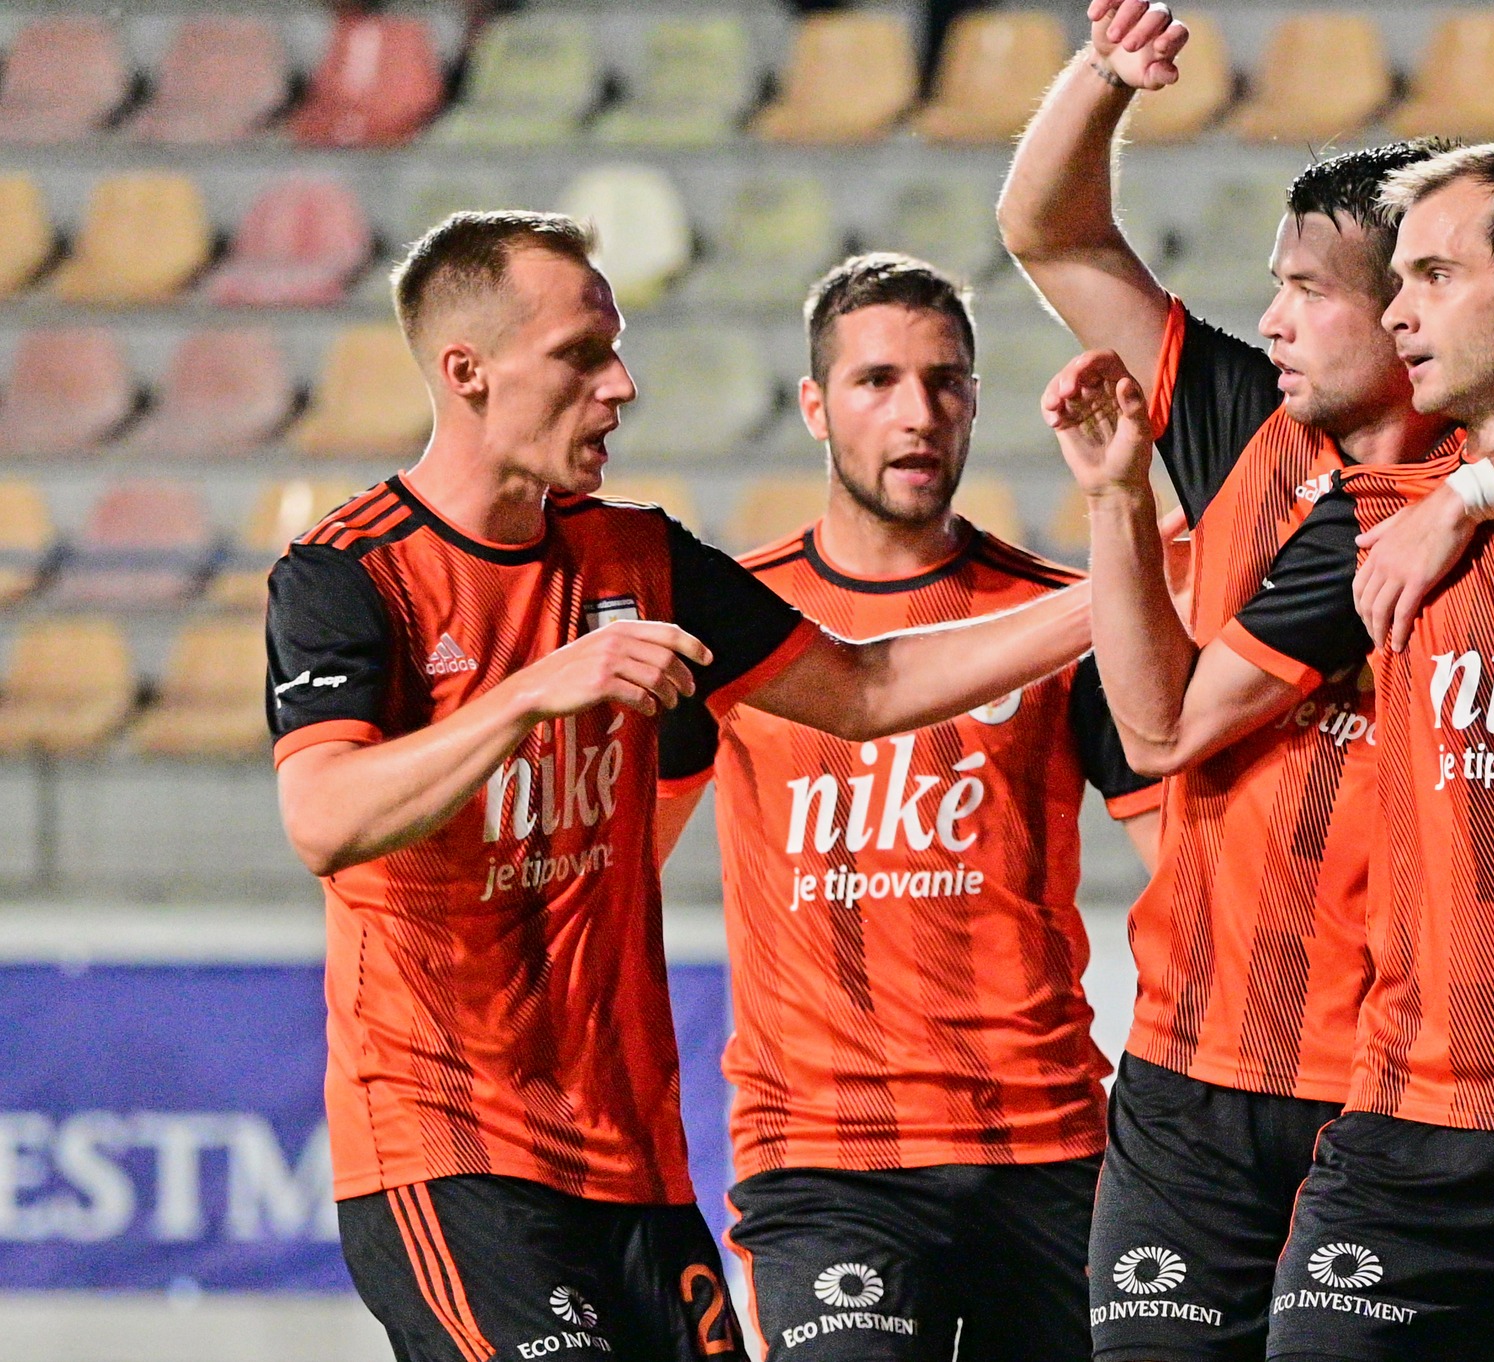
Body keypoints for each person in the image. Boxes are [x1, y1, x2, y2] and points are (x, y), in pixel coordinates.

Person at [1000, 5, 1494, 1358]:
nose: (1274, 321)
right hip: (1199, 1064)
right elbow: (1047, 231)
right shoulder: (1247, 428)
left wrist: (1471, 495)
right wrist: (1105, 76)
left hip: (1391, 1073)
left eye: (1316, 291)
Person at [265, 212, 1094, 1362]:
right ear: (467, 372)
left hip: (629, 1158)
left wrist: (1125, 588)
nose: (620, 385)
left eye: (614, 351)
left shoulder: (642, 558)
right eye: (580, 356)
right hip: (445, 1146)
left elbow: (864, 688)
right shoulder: (351, 575)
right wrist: (528, 695)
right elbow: (322, 818)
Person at [665, 253, 1163, 1362]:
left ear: (976, 401)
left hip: (1045, 1144)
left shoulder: (1052, 615)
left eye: (944, 382)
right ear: (813, 406)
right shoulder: (737, 620)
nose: (916, 413)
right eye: (876, 381)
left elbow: (1185, 862)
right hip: (825, 1159)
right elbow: (622, 866)